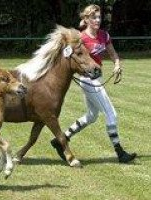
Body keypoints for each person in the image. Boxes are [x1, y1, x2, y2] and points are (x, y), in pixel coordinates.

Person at [51, 4, 136, 163]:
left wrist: (117, 65)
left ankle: (61, 139)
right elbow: (67, 55)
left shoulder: (104, 35)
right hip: (88, 79)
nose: (98, 20)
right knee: (111, 114)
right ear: (86, 19)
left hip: (98, 78)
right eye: (94, 17)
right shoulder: (80, 38)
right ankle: (120, 153)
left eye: (99, 17)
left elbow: (113, 54)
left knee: (92, 116)